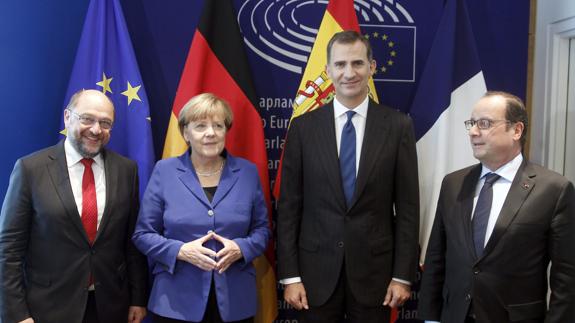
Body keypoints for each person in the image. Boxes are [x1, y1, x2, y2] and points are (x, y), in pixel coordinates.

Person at [276, 30, 420, 322]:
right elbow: (289, 208)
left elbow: (408, 208)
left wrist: (403, 276)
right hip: (314, 276)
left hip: (375, 276)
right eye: (340, 65)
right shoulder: (303, 128)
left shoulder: (398, 126)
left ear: (372, 67)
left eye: (357, 63)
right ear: (328, 70)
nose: (349, 73)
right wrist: (290, 276)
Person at [418, 91, 575, 323]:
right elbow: (436, 259)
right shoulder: (453, 184)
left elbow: (567, 276)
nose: (473, 132)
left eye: (485, 123)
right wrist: (430, 318)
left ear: (516, 130)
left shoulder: (554, 189)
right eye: (472, 123)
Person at [0, 89, 149, 323]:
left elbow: (131, 241)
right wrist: (16, 313)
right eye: (87, 118)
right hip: (48, 308)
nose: (96, 129)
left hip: (111, 307)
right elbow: (9, 248)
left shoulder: (126, 170)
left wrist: (138, 298)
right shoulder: (31, 169)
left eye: (105, 122)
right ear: (67, 117)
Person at [132, 93, 270, 323]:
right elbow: (142, 234)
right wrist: (180, 251)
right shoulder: (164, 171)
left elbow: (262, 230)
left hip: (235, 301)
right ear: (186, 133)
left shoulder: (247, 172)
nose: (211, 133)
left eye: (218, 125)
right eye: (200, 126)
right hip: (175, 302)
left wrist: (241, 248)